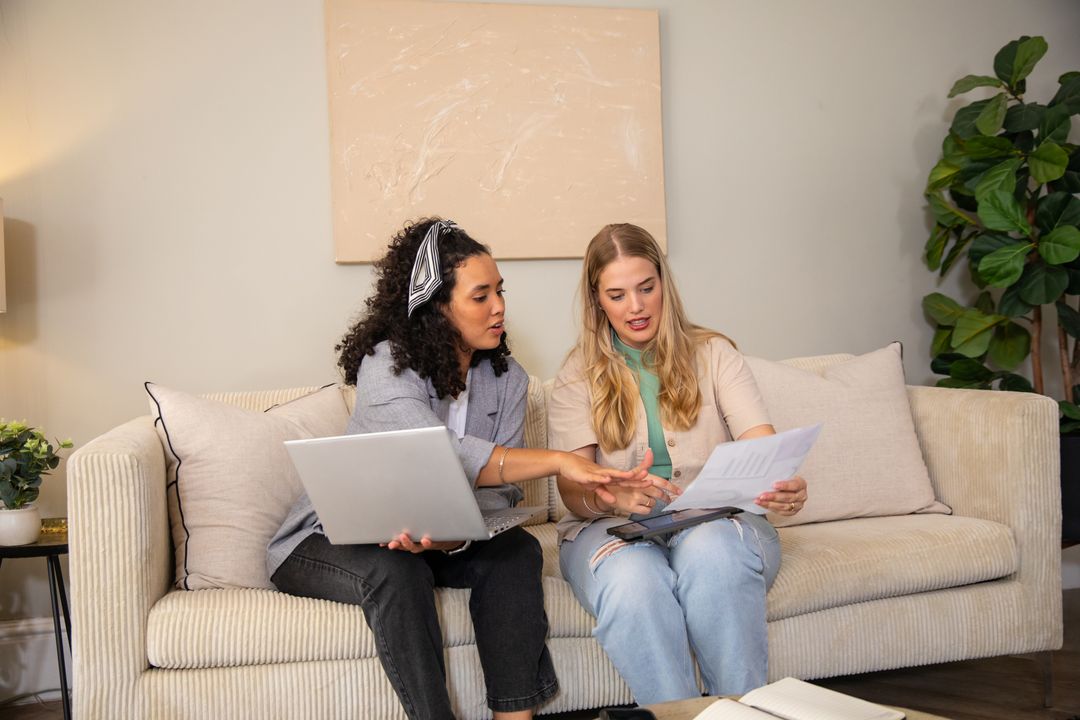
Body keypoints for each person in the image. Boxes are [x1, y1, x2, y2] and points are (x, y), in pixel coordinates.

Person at [266, 218, 649, 720]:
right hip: (330, 538)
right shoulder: (385, 365)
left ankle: (514, 717)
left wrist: (453, 538)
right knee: (395, 571)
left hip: (432, 540)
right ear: (438, 308)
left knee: (515, 552)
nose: (499, 307)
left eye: (500, 291)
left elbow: (500, 499)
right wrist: (560, 461)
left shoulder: (506, 379)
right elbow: (441, 453)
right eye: (480, 296)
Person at [548, 223, 808, 706]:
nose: (636, 306)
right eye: (618, 294)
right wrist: (610, 495)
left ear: (664, 282)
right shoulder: (575, 375)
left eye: (647, 288)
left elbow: (763, 448)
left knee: (711, 554)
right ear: (597, 300)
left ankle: (741, 713)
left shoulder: (715, 355)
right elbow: (572, 493)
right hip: (613, 529)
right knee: (633, 584)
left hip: (717, 523)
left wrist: (784, 484)